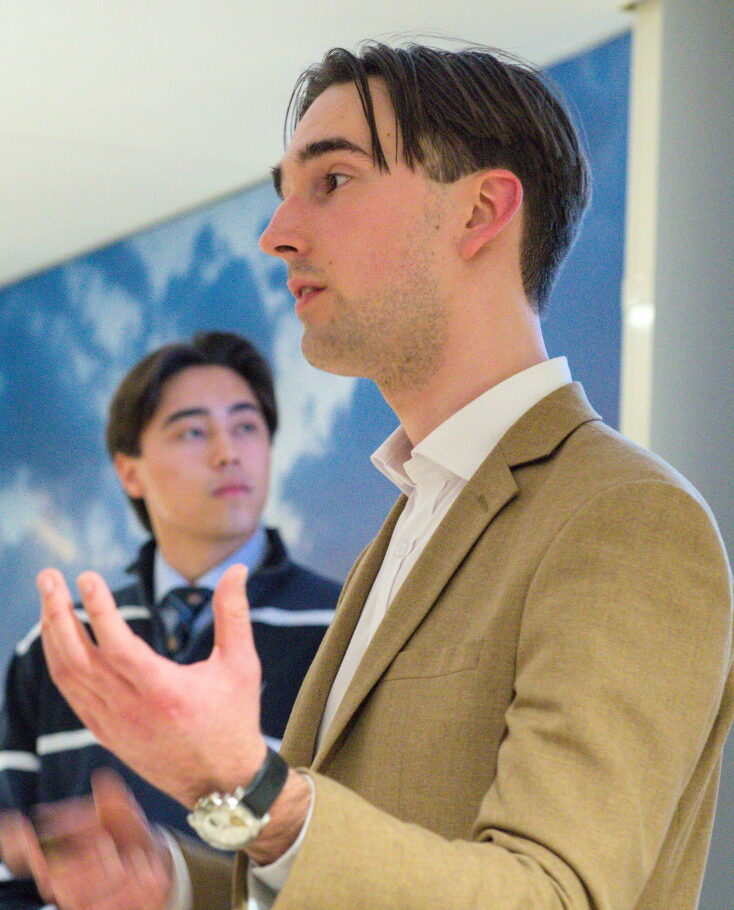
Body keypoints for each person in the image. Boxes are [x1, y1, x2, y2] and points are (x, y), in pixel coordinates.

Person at [1, 40, 732, 910]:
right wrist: (174, 884)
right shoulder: (412, 522)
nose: (277, 234)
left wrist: (252, 788)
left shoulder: (625, 516)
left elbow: (553, 896)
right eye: (285, 191)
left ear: (480, 211)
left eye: (333, 180)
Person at [0, 330, 340, 908]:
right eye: (192, 431)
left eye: (246, 426)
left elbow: (368, 863)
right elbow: (14, 857)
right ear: (129, 471)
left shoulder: (344, 627)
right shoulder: (59, 645)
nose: (227, 452)